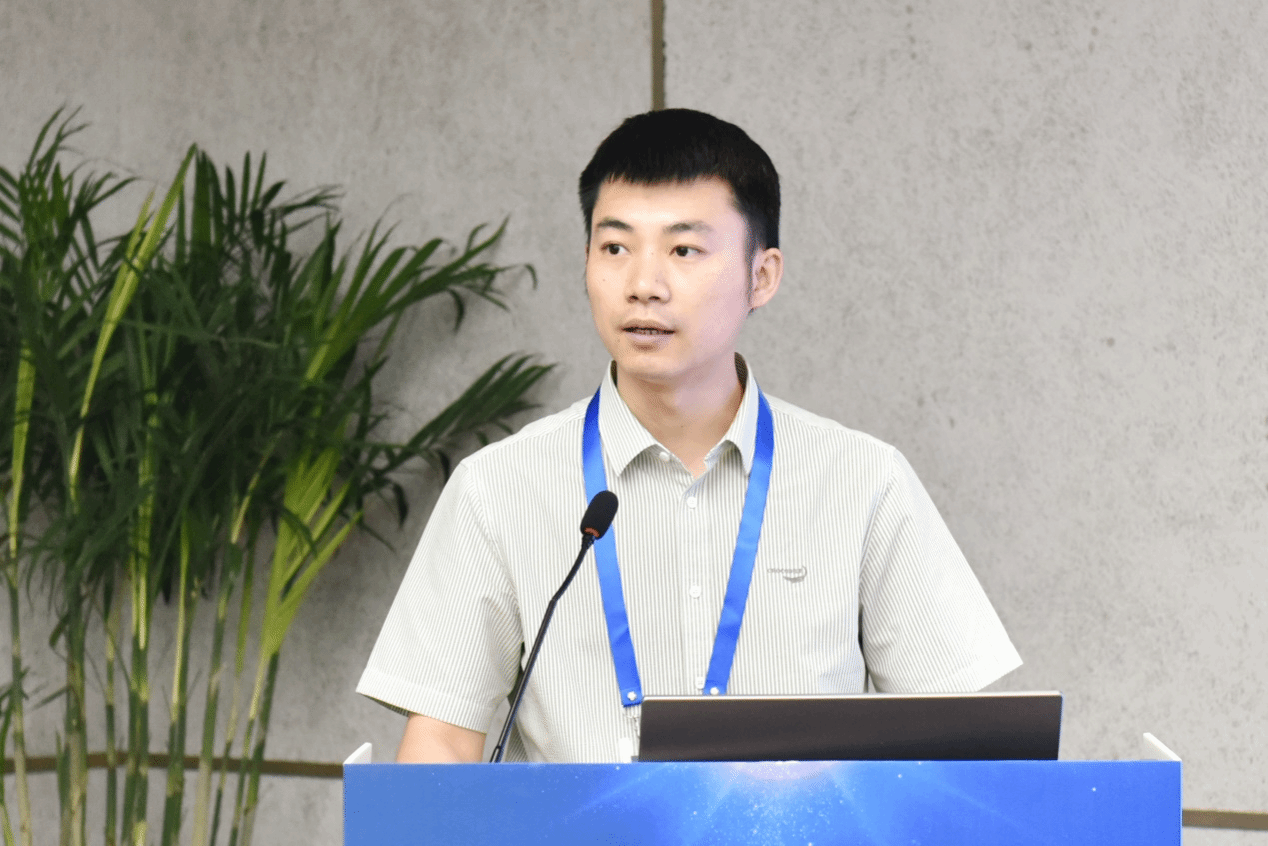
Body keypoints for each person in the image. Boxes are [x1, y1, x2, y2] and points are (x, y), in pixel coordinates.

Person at [357, 108, 1021, 763]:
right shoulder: (499, 488)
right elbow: (441, 743)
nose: (643, 285)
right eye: (615, 248)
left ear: (761, 276)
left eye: (683, 250)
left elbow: (960, 746)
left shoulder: (862, 480)